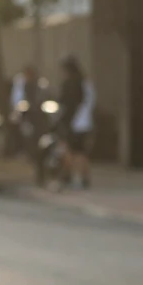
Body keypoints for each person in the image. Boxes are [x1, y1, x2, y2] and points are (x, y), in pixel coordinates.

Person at [57, 55, 95, 189]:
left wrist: (64, 120)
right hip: (86, 122)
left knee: (71, 151)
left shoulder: (72, 83)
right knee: (81, 152)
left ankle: (72, 177)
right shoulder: (86, 83)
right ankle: (84, 177)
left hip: (74, 122)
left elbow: (68, 104)